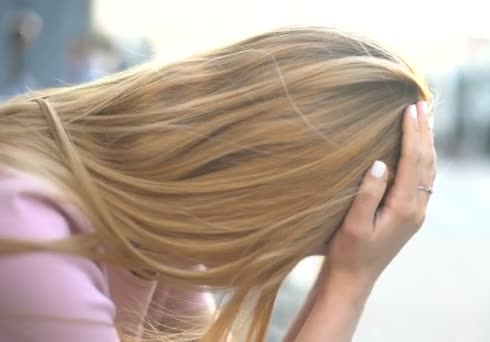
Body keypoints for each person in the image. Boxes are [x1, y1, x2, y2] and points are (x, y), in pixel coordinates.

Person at [0, 27, 435, 341]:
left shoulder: (157, 233)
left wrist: (342, 279)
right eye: (303, 246)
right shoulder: (28, 230)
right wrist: (347, 287)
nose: (276, 265)